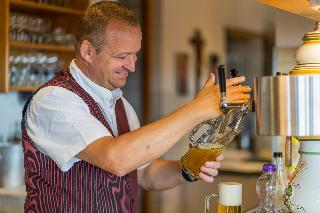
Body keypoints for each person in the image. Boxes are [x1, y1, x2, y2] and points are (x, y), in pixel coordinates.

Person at [21, 1, 251, 212]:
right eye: (122, 56)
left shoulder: (121, 105)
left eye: (135, 55)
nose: (132, 67)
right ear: (88, 51)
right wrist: (198, 108)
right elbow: (116, 159)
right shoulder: (53, 100)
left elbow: (144, 174)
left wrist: (187, 169)